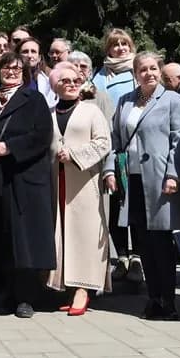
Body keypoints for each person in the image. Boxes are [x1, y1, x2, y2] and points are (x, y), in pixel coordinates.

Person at [0, 51, 55, 318]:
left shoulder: (34, 99)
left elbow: (42, 135)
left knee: (26, 241)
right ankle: (6, 295)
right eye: (7, 68)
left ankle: (26, 299)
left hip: (26, 178)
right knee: (2, 237)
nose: (12, 72)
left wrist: (10, 147)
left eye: (17, 69)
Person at [105, 51, 180, 319]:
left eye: (153, 68)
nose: (149, 73)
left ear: (160, 70)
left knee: (161, 242)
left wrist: (174, 174)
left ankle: (169, 301)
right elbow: (115, 139)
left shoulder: (172, 100)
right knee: (144, 243)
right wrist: (110, 171)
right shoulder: (126, 101)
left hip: (161, 181)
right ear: (135, 74)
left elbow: (178, 139)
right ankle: (153, 298)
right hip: (133, 180)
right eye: (143, 69)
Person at [46, 61, 111, 316]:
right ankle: (63, 284)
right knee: (61, 233)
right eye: (65, 81)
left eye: (75, 80)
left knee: (84, 233)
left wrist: (74, 155)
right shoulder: (48, 112)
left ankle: (83, 289)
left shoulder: (91, 111)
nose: (72, 84)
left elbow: (104, 143)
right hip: (55, 181)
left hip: (83, 182)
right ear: (55, 86)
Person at [92, 29, 137, 278]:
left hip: (130, 145)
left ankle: (138, 258)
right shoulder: (99, 75)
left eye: (124, 44)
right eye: (115, 45)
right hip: (106, 145)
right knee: (114, 206)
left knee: (134, 203)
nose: (120, 48)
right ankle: (121, 257)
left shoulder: (136, 72)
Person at [17, 37, 56, 107]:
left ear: (39, 58)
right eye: (25, 52)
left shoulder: (48, 81)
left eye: (33, 51)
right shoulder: (11, 78)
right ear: (18, 55)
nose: (29, 55)